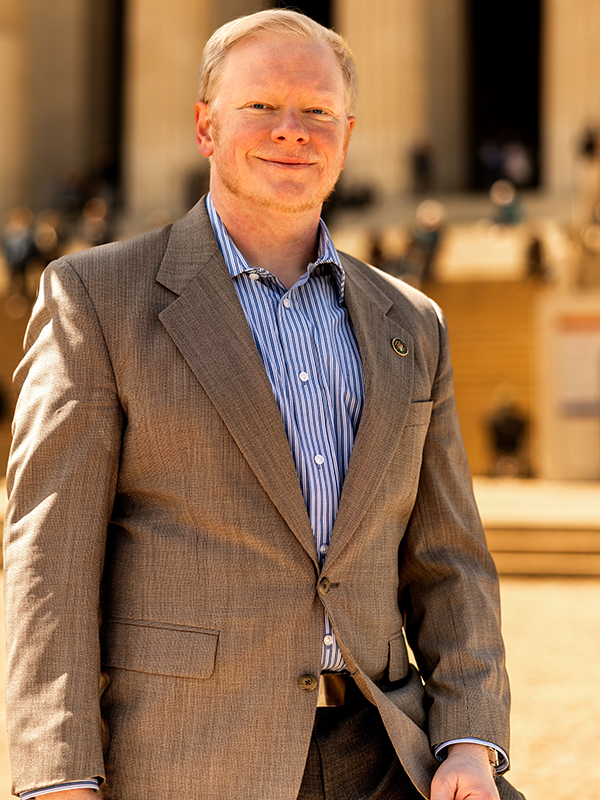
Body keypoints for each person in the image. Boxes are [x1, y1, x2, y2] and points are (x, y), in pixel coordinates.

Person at [4, 10, 525, 800]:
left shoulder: (412, 321)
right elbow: (50, 560)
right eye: (261, 107)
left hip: (385, 753)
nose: (293, 130)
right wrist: (59, 776)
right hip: (186, 757)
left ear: (346, 135)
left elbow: (449, 559)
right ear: (205, 126)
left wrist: (471, 739)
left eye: (317, 111)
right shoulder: (94, 298)